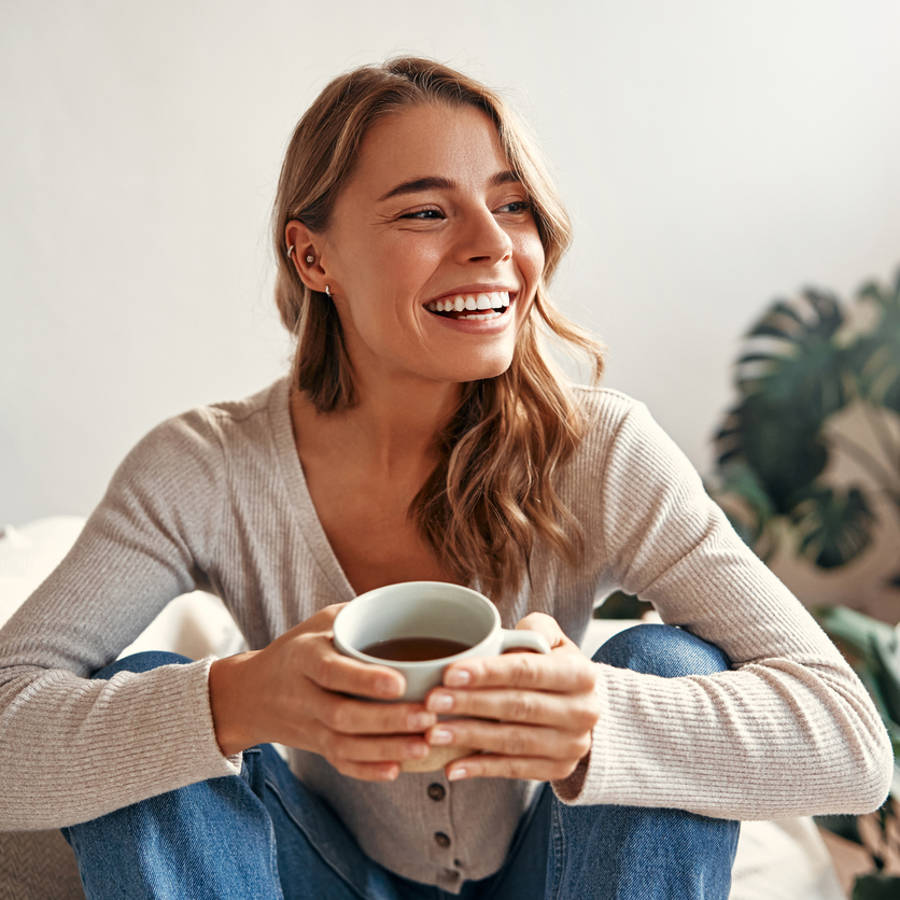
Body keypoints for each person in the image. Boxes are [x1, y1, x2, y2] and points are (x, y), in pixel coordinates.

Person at [0, 56, 892, 900]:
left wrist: (599, 720)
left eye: (513, 206)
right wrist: (235, 697)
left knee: (661, 664)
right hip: (321, 871)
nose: (491, 245)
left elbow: (854, 745)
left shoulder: (604, 451)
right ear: (313, 258)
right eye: (426, 212)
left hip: (560, 871)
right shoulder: (205, 469)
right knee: (149, 699)